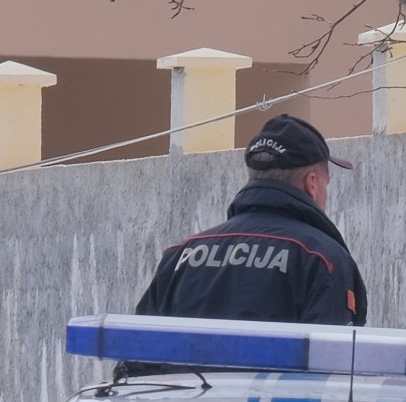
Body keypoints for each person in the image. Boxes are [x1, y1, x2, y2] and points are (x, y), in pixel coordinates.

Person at [135, 114, 369, 326]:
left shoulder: (179, 256)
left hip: (184, 376)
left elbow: (140, 354)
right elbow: (332, 359)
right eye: (327, 183)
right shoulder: (322, 260)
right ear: (312, 184)